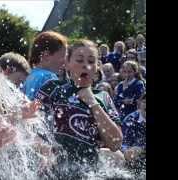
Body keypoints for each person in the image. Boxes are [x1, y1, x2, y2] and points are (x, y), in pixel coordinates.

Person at [35, 39, 123, 179]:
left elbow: (116, 143)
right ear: (67, 63)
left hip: (89, 173)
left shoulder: (103, 97)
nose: (86, 66)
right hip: (54, 171)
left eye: (91, 61)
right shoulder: (53, 88)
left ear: (97, 67)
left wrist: (93, 103)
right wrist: (43, 150)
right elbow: (31, 123)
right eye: (80, 60)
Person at [22, 31, 68, 100]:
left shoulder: (30, 77)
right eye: (63, 56)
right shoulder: (48, 77)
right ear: (46, 55)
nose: (65, 61)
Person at [121, 94, 146, 171]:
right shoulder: (130, 119)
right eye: (144, 102)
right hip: (132, 157)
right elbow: (123, 141)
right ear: (139, 104)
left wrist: (141, 149)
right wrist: (126, 151)